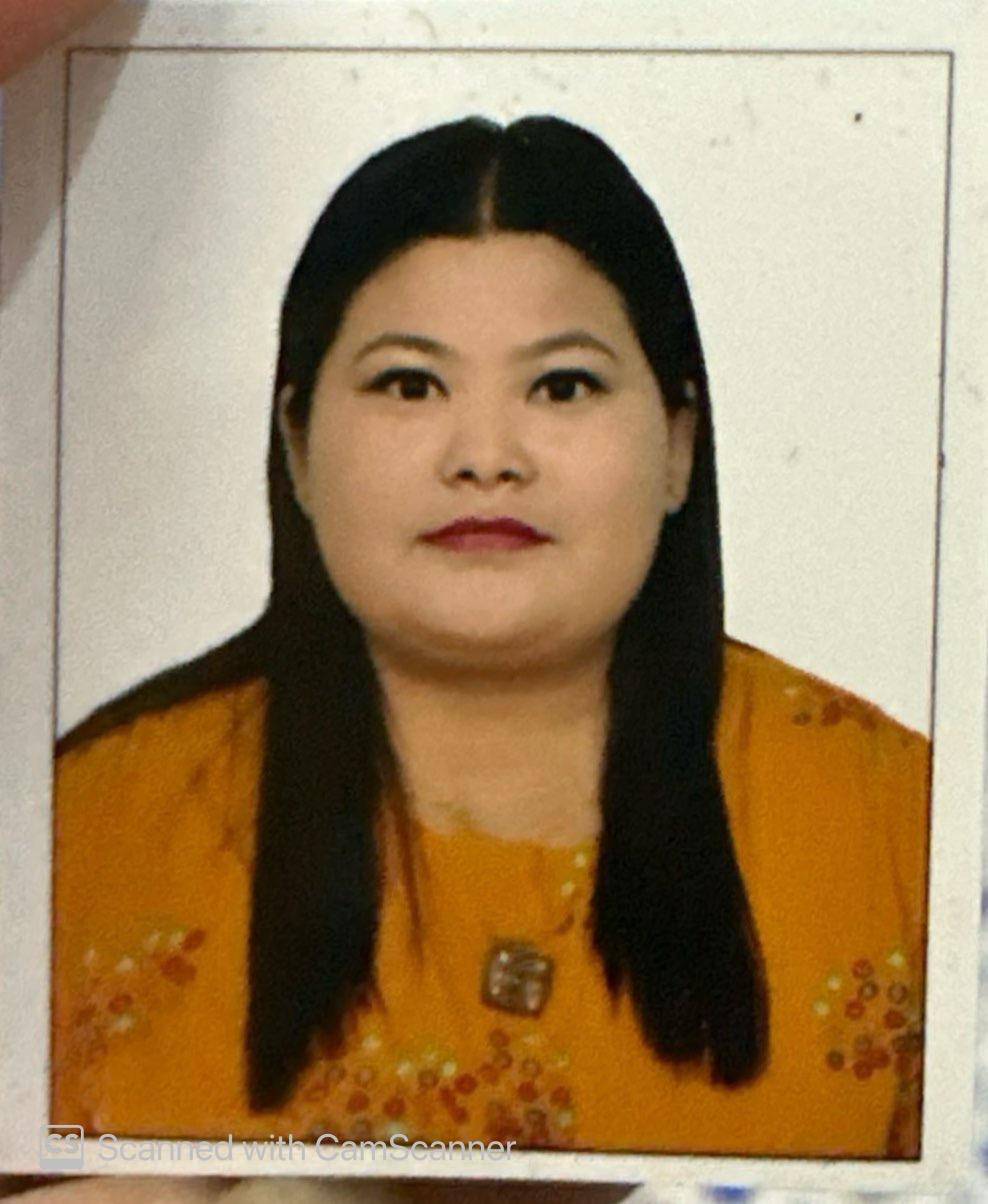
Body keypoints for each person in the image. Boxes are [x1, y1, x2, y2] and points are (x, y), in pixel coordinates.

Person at [49, 114, 930, 1161]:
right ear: (297, 443)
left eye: (562, 385)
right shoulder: (84, 829)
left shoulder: (903, 823)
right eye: (409, 384)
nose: (485, 455)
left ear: (677, 445)